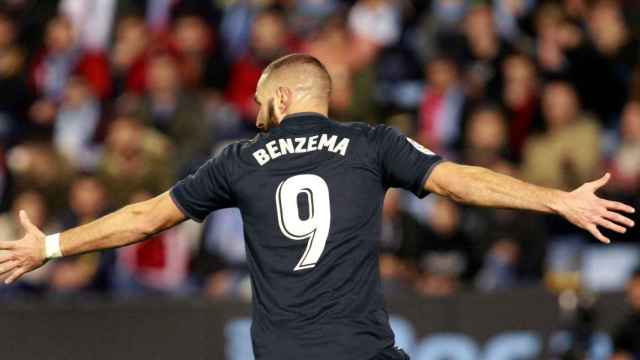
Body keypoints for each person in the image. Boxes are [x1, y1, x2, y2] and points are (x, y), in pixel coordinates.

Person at [0, 54, 635, 360]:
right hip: (360, 352)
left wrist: (50, 247)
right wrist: (558, 199)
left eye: (257, 98)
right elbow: (459, 180)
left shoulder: (239, 159)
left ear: (281, 100)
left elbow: (144, 218)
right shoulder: (372, 144)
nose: (252, 110)